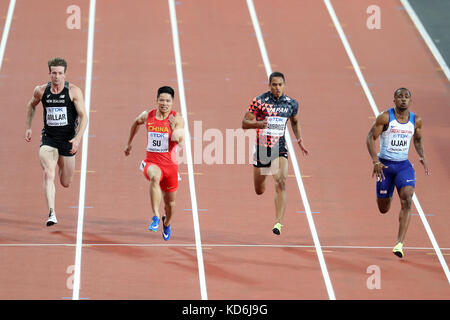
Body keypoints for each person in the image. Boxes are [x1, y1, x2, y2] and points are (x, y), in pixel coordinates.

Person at [242, 72, 309, 235]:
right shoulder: (259, 101)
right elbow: (244, 123)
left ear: (284, 85)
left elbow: (295, 121)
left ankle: (278, 222)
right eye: (274, 84)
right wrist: (257, 123)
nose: (277, 88)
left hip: (279, 148)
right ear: (269, 85)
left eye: (280, 85)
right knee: (259, 189)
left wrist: (299, 139)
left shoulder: (291, 104)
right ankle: (263, 176)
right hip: (262, 148)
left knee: (281, 181)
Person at [25, 57, 88, 226]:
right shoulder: (41, 90)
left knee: (65, 182)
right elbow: (31, 105)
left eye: (60, 73)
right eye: (54, 73)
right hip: (49, 139)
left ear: (65, 75)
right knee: (48, 173)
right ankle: (51, 213)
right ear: (49, 73)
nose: (57, 76)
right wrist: (29, 127)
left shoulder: (73, 91)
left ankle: (60, 162)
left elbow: (84, 117)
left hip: (68, 140)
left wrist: (77, 138)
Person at [366, 88, 429, 258]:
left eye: (406, 97)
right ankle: (390, 191)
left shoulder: (416, 120)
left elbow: (417, 139)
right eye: (399, 97)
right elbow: (370, 138)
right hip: (385, 166)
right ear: (394, 100)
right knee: (383, 208)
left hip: (403, 166)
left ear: (410, 101)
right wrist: (375, 161)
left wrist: (421, 155)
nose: (403, 99)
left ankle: (399, 244)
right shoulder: (385, 117)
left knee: (408, 199)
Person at [124, 86, 184, 241]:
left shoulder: (176, 118)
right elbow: (135, 123)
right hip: (152, 162)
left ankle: (166, 222)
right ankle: (156, 216)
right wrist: (129, 143)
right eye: (162, 100)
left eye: (168, 101)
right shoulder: (148, 115)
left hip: (170, 167)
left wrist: (173, 130)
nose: (164, 103)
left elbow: (180, 141)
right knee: (155, 177)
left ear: (172, 102)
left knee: (170, 205)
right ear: (156, 100)